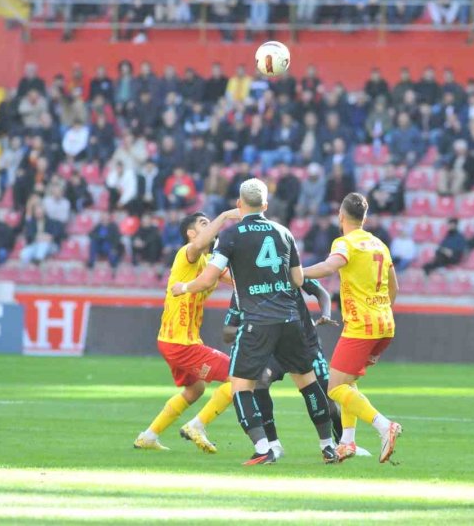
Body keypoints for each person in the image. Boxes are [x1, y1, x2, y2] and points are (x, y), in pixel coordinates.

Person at [171, 179, 336, 465]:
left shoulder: (231, 235)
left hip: (257, 323)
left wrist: (183, 288)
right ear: (266, 205)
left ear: (239, 204)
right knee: (308, 383)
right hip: (291, 319)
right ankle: (328, 446)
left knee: (240, 387)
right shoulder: (284, 233)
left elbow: (209, 278)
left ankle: (264, 448)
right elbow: (298, 280)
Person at [302, 192, 402, 464]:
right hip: (385, 325)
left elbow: (329, 266)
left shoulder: (345, 243)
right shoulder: (379, 244)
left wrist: (298, 272)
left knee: (334, 388)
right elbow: (394, 286)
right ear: (365, 217)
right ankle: (347, 441)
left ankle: (384, 426)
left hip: (361, 326)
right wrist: (382, 311)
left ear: (341, 216)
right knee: (349, 382)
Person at [133, 209, 241, 453]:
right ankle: (197, 426)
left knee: (196, 389)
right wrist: (224, 217)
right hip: (181, 342)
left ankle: (148, 436)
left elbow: (237, 280)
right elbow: (201, 244)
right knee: (239, 377)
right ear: (191, 234)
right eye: (204, 223)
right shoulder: (187, 253)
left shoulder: (208, 263)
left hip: (175, 340)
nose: (210, 226)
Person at [220, 278, 362, 460]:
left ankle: (340, 443)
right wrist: (252, 329)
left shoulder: (287, 271)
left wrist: (325, 313)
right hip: (271, 349)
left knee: (329, 393)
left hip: (304, 343)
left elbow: (321, 292)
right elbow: (227, 331)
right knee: (261, 381)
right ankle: (273, 444)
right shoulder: (244, 289)